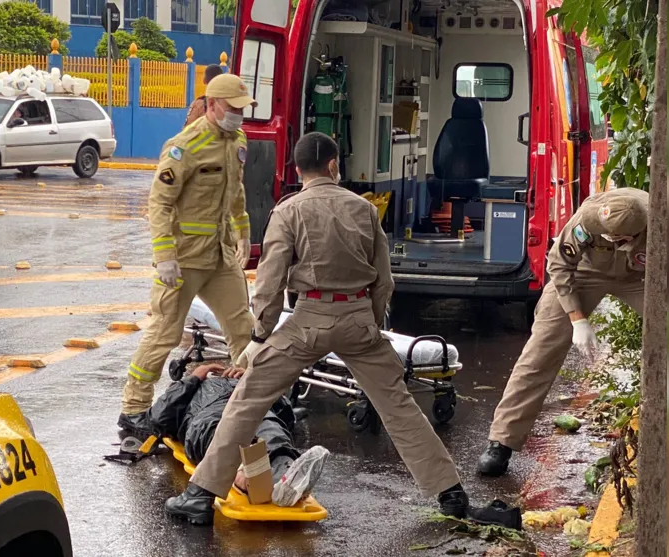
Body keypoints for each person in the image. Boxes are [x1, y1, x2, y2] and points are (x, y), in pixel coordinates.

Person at [165, 132, 521, 529]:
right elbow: (384, 281)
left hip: (307, 320)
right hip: (357, 319)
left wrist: (261, 335)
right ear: (334, 165)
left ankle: (200, 496)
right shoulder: (364, 210)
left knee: (247, 401)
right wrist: (367, 321)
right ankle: (451, 495)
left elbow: (269, 282)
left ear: (298, 170)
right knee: (400, 409)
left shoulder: (288, 211)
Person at [117, 73, 257, 437]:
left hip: (220, 255)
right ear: (212, 105)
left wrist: (242, 228)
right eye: (232, 108)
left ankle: (250, 399)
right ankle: (134, 409)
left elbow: (236, 190)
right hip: (184, 258)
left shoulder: (237, 139)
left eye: (243, 109)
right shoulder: (185, 146)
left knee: (243, 326)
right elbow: (159, 202)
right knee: (165, 332)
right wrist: (164, 256)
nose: (238, 115)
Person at [478, 188, 648, 476]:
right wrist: (577, 319)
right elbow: (559, 263)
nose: (609, 239)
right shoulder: (590, 217)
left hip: (641, 277)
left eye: (616, 239)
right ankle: (502, 441)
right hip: (584, 272)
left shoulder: (665, 222)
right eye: (605, 235)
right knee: (542, 347)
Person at [150, 363, 328, 509]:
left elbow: (286, 415)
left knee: (269, 425)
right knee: (224, 434)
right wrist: (194, 378)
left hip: (252, 410)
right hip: (210, 416)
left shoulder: (247, 383)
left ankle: (285, 474)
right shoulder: (192, 387)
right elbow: (158, 417)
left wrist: (256, 382)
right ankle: (246, 475)